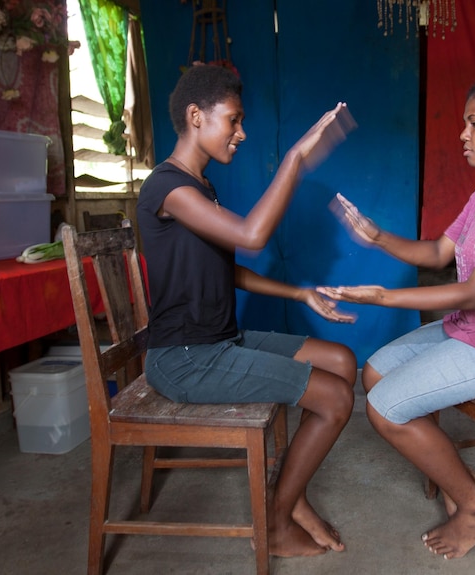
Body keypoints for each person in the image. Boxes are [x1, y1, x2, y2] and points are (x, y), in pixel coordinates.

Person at [317, 73, 475, 560]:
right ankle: (451, 471)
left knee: (385, 406)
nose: (463, 134)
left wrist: (382, 298)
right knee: (374, 373)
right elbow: (438, 252)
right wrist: (376, 237)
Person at [136, 64, 358, 558]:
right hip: (184, 357)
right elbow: (253, 236)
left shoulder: (200, 187)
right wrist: (295, 158)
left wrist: (297, 294)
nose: (242, 133)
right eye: (233, 120)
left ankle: (289, 495)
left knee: (341, 361)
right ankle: (278, 520)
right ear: (196, 116)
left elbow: (226, 268)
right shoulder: (167, 189)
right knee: (336, 399)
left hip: (219, 341)